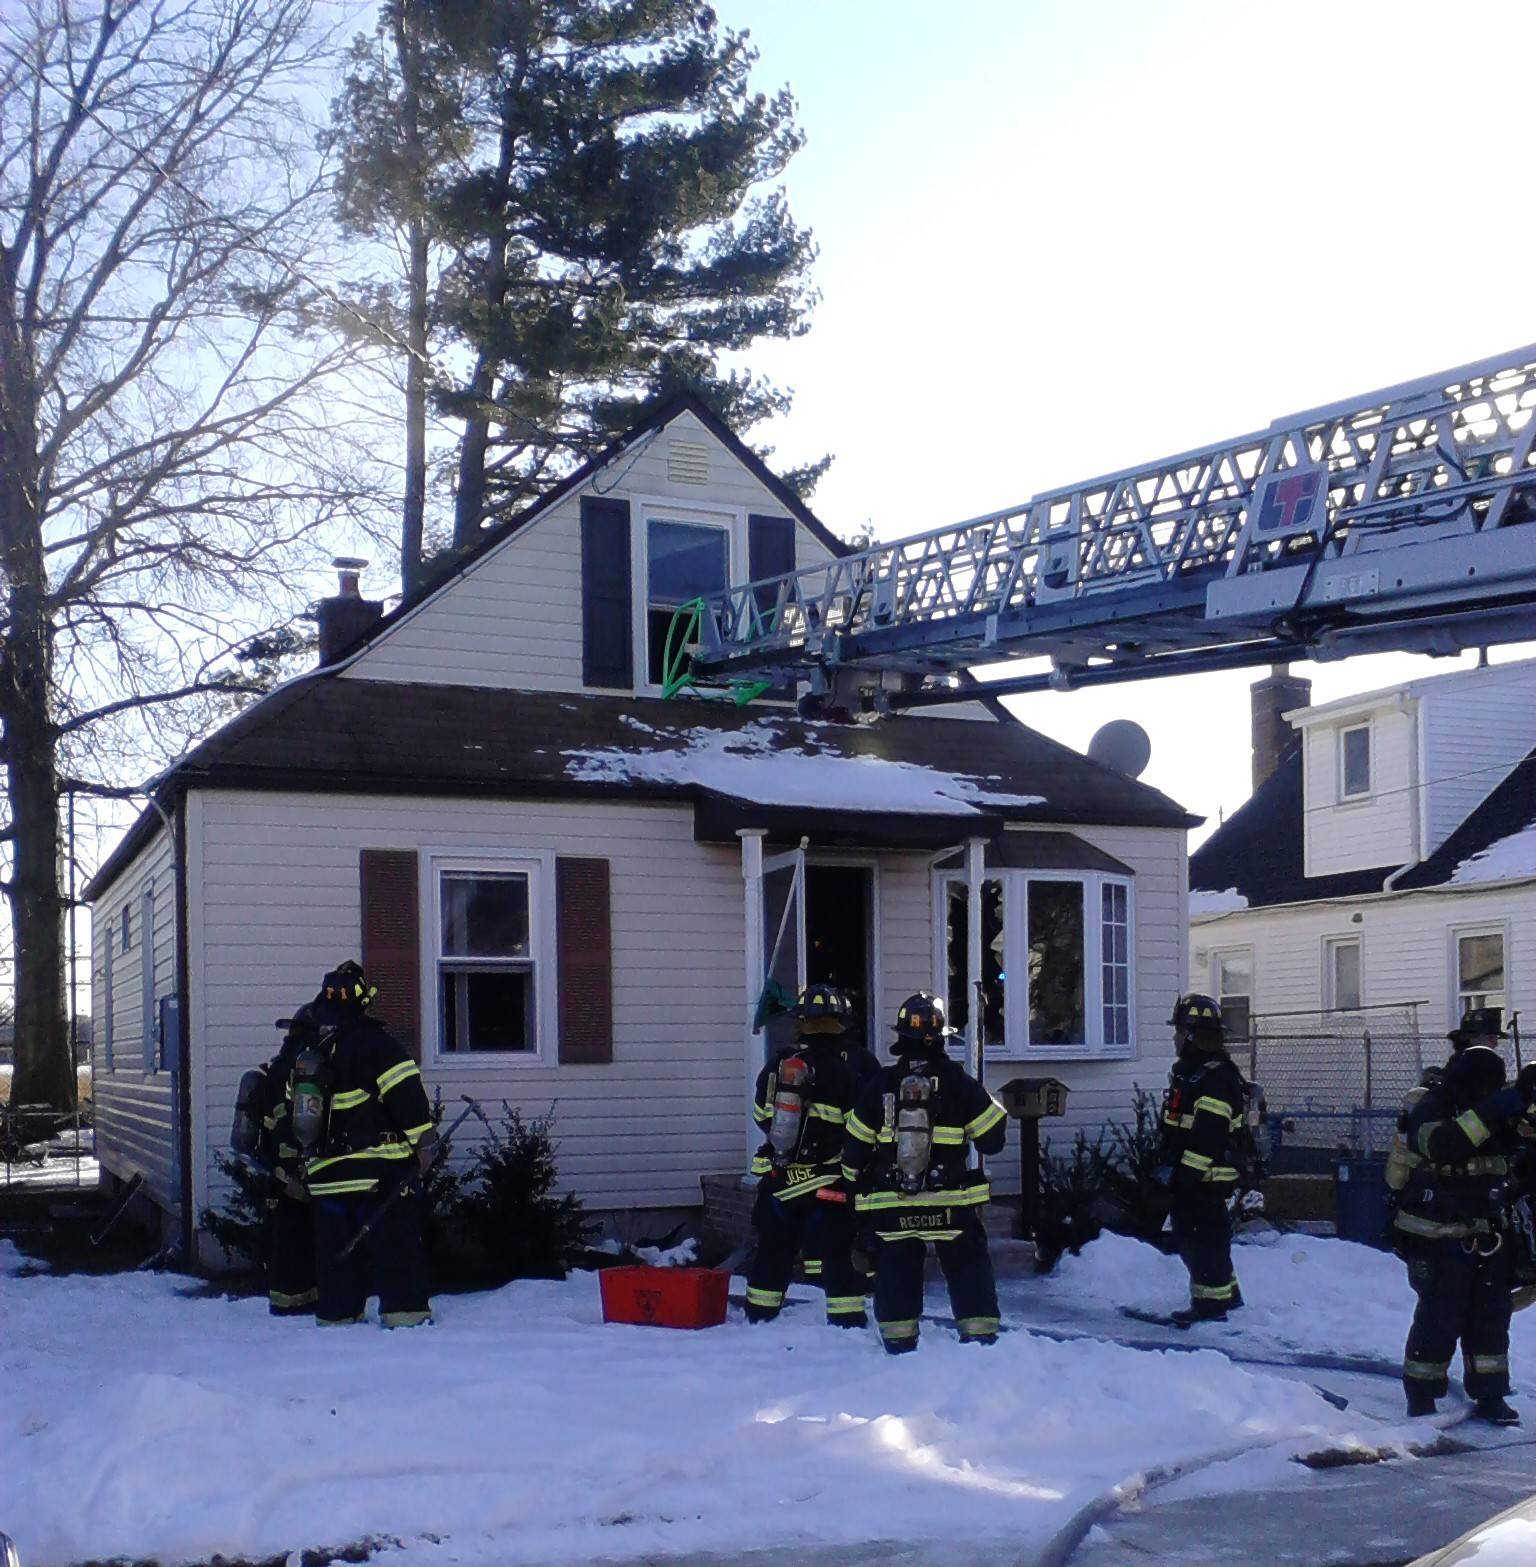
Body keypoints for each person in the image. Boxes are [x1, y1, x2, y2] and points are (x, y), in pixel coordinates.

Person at [842, 991, 1007, 1353]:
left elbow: (853, 1148)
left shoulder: (881, 1085)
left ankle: (899, 1344)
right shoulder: (960, 1083)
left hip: (894, 1205)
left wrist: (854, 1183)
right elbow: (993, 1141)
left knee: (895, 1270)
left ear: (901, 1038)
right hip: (951, 1204)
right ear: (942, 1038)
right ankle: (980, 1340)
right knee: (967, 1266)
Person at [1393, 1042, 1536, 1423]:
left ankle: (1491, 1395)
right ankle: (1422, 1397)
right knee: (1439, 1320)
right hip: (1438, 1235)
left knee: (1491, 1320)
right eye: (1486, 1087)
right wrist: (1495, 1107)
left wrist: (1526, 1100)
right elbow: (1444, 1145)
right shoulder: (1431, 1107)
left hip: (1489, 1234)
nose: (1490, 1093)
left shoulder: (1496, 1112)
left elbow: (1519, 1148)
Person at [298, 961, 437, 1328]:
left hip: (325, 1177)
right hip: (378, 1175)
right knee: (395, 1247)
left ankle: (338, 1315)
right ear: (363, 1003)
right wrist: (424, 1145)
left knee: (337, 1252)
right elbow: (408, 1099)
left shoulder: (310, 1054)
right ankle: (405, 1314)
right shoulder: (379, 1047)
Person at [745, 984, 869, 1328]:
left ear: (800, 1023)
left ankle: (759, 1317)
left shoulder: (776, 1067)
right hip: (828, 1186)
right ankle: (846, 1323)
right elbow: (861, 1130)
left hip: (779, 1183)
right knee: (838, 1257)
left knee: (772, 1252)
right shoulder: (846, 1074)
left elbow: (761, 1116)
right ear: (839, 1025)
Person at [1160, 993, 1247, 1325]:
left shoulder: (1214, 1078)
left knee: (1201, 1239)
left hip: (1205, 1178)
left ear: (1194, 1036)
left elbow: (1208, 1134)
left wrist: (1186, 1175)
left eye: (1180, 1031)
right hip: (1197, 1176)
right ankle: (1227, 1296)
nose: (1175, 1038)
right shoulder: (1196, 1073)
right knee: (1206, 1238)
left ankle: (1210, 1306)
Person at [257, 1005, 320, 1316]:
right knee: (299, 1235)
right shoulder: (305, 1067)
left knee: (284, 1234)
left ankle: (286, 1296)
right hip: (297, 1166)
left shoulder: (278, 1065)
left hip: (276, 1166)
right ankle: (297, 1299)